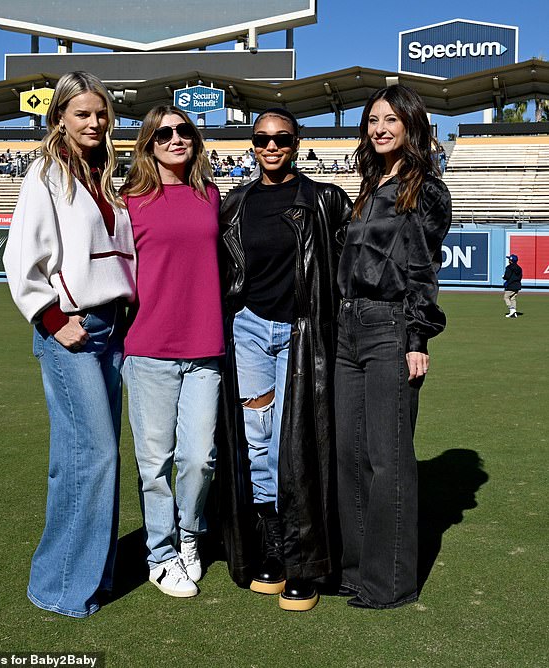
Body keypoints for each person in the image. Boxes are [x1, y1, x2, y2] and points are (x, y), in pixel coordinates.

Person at [3, 71, 136, 618]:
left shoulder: (107, 174)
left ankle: (92, 576)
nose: (94, 122)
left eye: (101, 113)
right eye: (82, 113)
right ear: (59, 117)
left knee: (83, 458)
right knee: (95, 455)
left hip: (114, 327)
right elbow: (20, 259)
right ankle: (60, 587)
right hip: (72, 331)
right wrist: (53, 318)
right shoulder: (46, 172)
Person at [218, 107, 352, 611]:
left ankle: (303, 559)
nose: (271, 147)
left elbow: (345, 271)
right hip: (249, 331)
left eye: (282, 139)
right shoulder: (234, 204)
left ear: (297, 143)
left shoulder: (325, 200)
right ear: (251, 144)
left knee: (291, 446)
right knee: (258, 443)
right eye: (262, 139)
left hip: (302, 333)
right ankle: (272, 550)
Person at [335, 84, 452, 609]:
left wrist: (416, 337)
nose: (379, 128)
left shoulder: (424, 188)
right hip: (346, 329)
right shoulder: (366, 184)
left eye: (390, 119)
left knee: (388, 457)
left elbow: (422, 269)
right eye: (373, 119)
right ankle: (357, 570)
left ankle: (390, 583)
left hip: (390, 329)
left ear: (410, 126)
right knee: (350, 455)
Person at [119, 105, 223, 598]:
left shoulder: (211, 195)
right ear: (148, 144)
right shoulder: (128, 202)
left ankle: (189, 535)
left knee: (200, 457)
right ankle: (160, 554)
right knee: (153, 460)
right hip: (148, 348)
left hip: (205, 346)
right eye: (164, 133)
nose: (176, 138)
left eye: (184, 130)